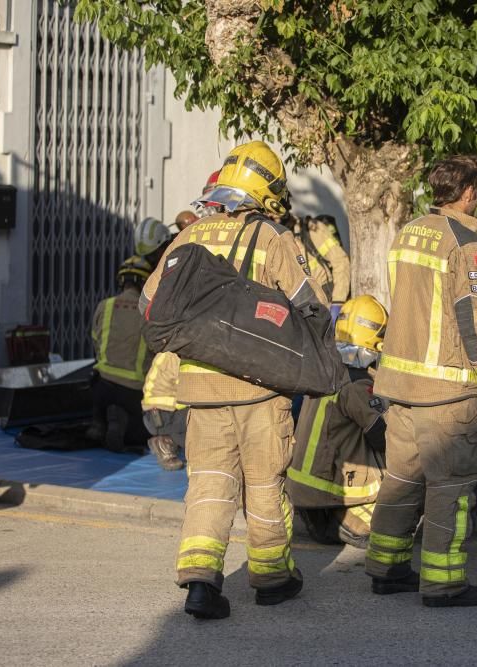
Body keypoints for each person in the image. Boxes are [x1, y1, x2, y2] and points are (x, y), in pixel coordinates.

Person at [141, 140, 328, 620]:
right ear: (266, 190)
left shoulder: (190, 237)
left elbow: (149, 306)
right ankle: (271, 580)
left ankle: (201, 583)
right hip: (261, 388)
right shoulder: (271, 238)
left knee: (209, 484)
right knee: (265, 484)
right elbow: (314, 308)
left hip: (200, 391)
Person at [365, 154, 477, 608]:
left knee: (401, 480)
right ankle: (444, 583)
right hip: (446, 390)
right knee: (452, 487)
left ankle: (386, 569)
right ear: (468, 192)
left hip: (398, 384)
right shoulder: (468, 244)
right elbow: (474, 317)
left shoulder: (408, 231)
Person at [287, 295, 389, 549]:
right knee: (399, 509)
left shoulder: (324, 371)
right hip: (329, 492)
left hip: (303, 492)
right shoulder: (356, 384)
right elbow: (382, 437)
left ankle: (332, 521)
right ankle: (351, 522)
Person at [88, 256, 155, 453]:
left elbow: (95, 342)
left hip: (103, 388)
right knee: (142, 437)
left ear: (120, 281)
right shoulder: (150, 312)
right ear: (145, 283)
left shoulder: (104, 306)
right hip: (135, 392)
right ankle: (121, 423)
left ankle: (100, 422)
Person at [293, 214, 351, 320]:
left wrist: (338, 303)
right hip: (296, 312)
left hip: (324, 305)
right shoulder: (269, 238)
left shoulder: (311, 229)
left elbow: (340, 261)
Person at [141, 350, 186, 471]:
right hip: (164, 414)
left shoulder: (168, 352)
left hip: (155, 414)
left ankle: (168, 441)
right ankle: (164, 442)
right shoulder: (178, 356)